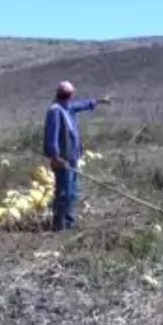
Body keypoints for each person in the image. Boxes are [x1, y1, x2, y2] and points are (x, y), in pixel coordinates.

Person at [42, 81, 111, 231]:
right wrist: (55, 157)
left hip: (72, 158)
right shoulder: (55, 111)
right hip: (62, 160)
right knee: (63, 192)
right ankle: (59, 224)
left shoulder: (67, 108)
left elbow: (82, 105)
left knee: (72, 191)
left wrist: (97, 101)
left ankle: (70, 223)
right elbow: (51, 137)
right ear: (69, 95)